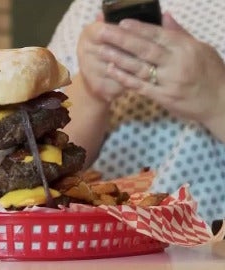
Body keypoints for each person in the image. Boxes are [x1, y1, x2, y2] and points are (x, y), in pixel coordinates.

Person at [47, 0, 225, 225]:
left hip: (211, 241)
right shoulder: (87, 9)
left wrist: (218, 97)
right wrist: (91, 92)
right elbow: (44, 155)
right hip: (101, 238)